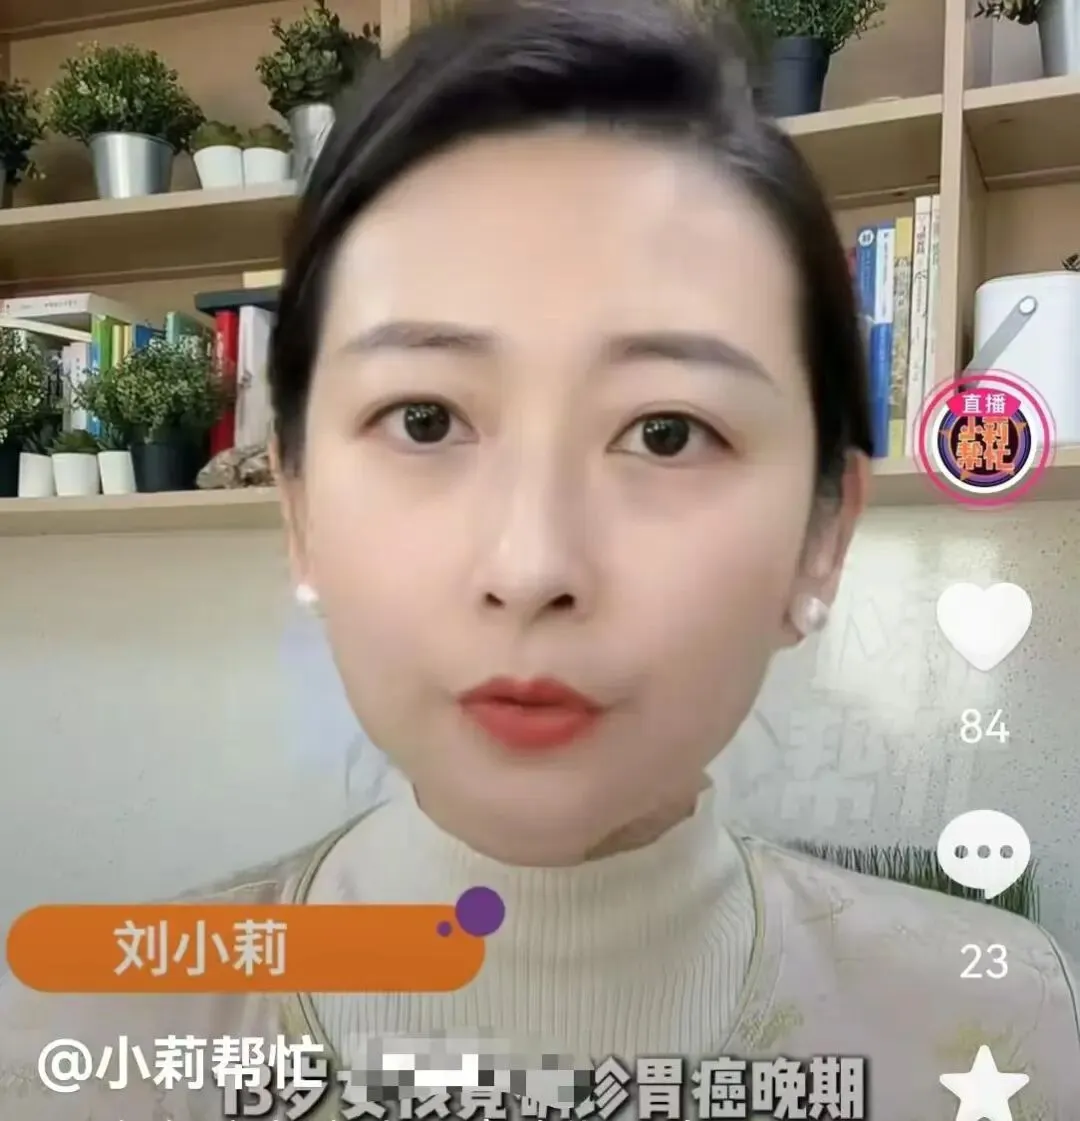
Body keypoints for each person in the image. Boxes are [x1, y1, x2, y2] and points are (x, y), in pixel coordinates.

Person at [3, 1, 1078, 1117]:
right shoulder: (71, 1043)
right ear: (301, 509)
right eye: (425, 419)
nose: (530, 565)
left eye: (667, 432)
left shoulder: (1001, 1031)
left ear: (823, 538)